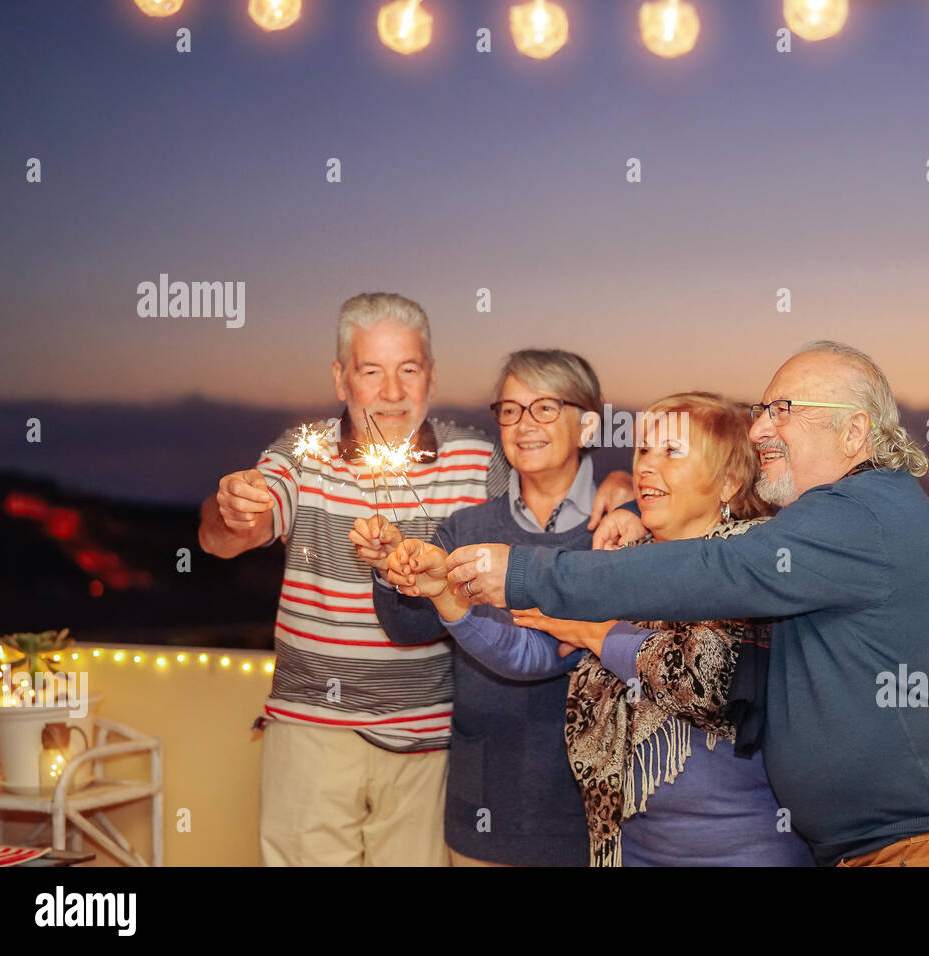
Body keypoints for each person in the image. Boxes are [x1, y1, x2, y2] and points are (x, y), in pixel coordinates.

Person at [443, 341, 929, 867]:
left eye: (784, 411)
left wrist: (523, 571)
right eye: (761, 411)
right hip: (891, 843)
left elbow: (716, 569)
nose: (758, 431)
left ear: (855, 432)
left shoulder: (855, 514)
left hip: (924, 843)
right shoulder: (840, 520)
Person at [197, 293, 634, 866]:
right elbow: (224, 536)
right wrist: (233, 510)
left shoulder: (480, 461)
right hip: (313, 734)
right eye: (371, 371)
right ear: (341, 379)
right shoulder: (301, 458)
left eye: (408, 370)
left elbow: (553, 474)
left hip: (429, 746)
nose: (392, 392)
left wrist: (622, 485)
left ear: (430, 375)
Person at [390, 393, 814, 866]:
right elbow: (527, 649)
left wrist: (595, 631)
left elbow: (703, 680)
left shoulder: (754, 567)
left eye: (672, 451)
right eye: (643, 451)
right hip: (626, 851)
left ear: (730, 482)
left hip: (744, 851)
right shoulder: (616, 565)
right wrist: (444, 594)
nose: (647, 467)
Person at [363, 349, 603, 866]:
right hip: (485, 808)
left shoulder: (617, 528)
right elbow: (407, 629)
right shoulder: (464, 527)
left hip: (592, 815)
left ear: (588, 426)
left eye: (545, 408)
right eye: (510, 410)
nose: (523, 424)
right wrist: (391, 571)